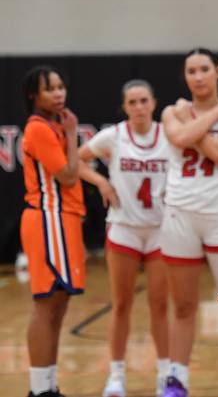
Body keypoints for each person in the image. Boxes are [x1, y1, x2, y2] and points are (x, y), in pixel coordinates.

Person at [79, 80, 170, 397]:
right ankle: (116, 375)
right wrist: (101, 182)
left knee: (160, 306)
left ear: (153, 103)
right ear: (124, 107)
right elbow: (77, 160)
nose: (139, 107)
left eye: (144, 100)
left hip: (160, 230)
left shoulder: (167, 134)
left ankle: (165, 374)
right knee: (121, 305)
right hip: (123, 228)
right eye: (132, 102)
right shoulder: (114, 136)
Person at [160, 48, 218, 397]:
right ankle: (176, 379)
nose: (198, 76)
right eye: (191, 71)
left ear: (217, 73)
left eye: (204, 69)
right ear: (186, 76)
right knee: (182, 305)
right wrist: (211, 116)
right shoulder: (169, 112)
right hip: (179, 214)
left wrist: (204, 117)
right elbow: (178, 139)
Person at [20, 66, 84, 397]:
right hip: (49, 219)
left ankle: (48, 385)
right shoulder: (39, 129)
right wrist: (72, 134)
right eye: (50, 89)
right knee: (46, 305)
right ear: (34, 95)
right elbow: (69, 177)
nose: (58, 93)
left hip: (62, 219)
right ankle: (38, 389)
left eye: (61, 87)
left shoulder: (51, 125)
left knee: (58, 306)